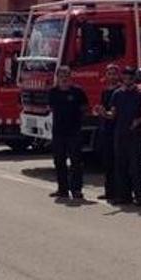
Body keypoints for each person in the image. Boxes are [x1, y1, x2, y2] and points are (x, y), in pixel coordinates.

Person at [109, 66, 141, 206]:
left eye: (130, 77)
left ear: (134, 79)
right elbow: (112, 114)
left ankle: (140, 195)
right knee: (121, 166)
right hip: (120, 134)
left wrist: (137, 121)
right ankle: (124, 196)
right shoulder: (116, 94)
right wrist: (103, 113)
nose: (127, 80)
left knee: (137, 166)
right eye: (125, 77)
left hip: (135, 135)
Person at [47, 65, 89, 200]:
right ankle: (62, 189)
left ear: (70, 77)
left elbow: (84, 108)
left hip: (74, 132)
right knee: (59, 161)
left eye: (66, 75)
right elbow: (51, 108)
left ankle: (76, 189)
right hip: (58, 132)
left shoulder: (78, 92)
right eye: (61, 75)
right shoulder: (53, 92)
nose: (64, 78)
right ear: (57, 77)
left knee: (76, 162)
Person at [94, 63, 121, 201]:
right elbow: (104, 109)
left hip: (116, 130)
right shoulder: (105, 91)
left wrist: (106, 113)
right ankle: (108, 191)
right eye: (109, 73)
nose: (111, 76)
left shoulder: (120, 92)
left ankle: (119, 192)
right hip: (105, 128)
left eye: (114, 73)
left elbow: (115, 113)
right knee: (107, 162)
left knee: (117, 162)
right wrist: (99, 111)